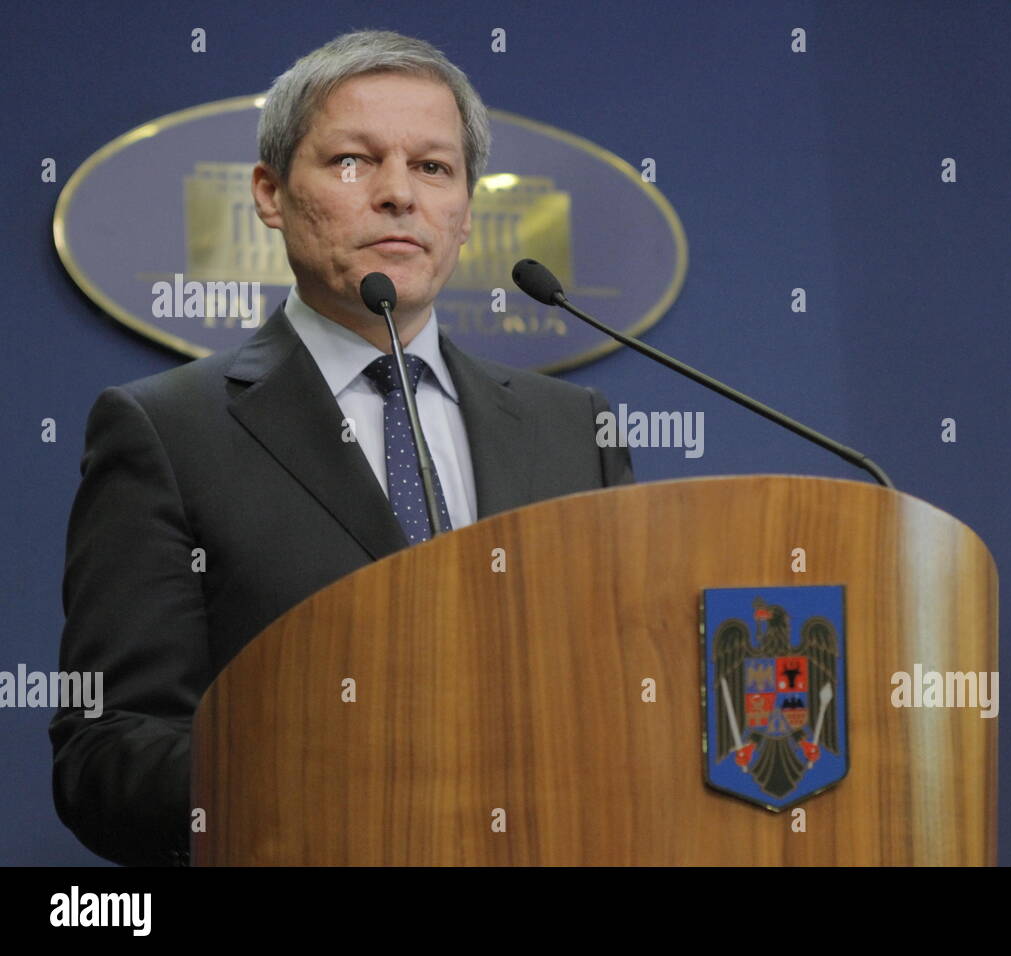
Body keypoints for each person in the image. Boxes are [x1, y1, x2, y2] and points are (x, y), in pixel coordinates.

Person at [50, 29, 634, 866]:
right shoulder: (166, 432)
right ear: (271, 193)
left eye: (433, 168)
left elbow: (623, 710)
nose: (399, 194)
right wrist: (339, 780)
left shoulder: (573, 429)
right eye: (355, 161)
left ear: (466, 212)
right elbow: (107, 756)